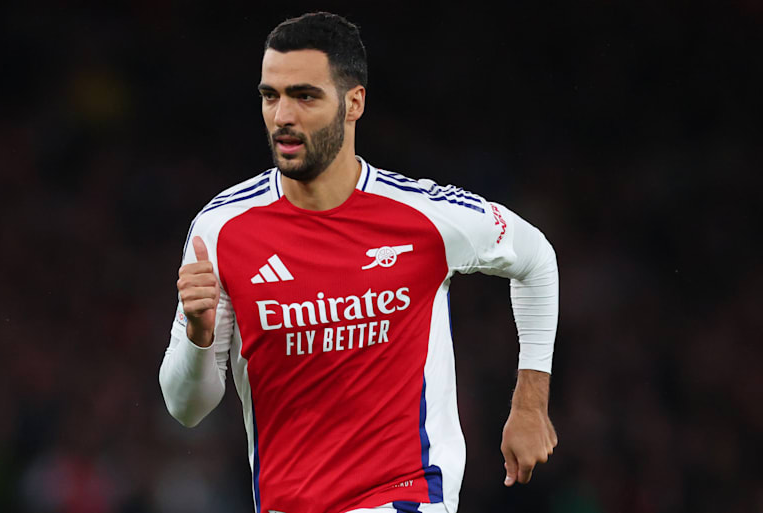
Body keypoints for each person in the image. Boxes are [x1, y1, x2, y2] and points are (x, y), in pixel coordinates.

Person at [160, 11, 558, 513]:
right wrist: (198, 337)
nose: (282, 115)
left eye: (305, 96)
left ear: (354, 103)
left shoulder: (423, 216)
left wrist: (530, 402)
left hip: (409, 496)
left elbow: (535, 257)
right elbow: (187, 408)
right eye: (270, 96)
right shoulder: (220, 231)